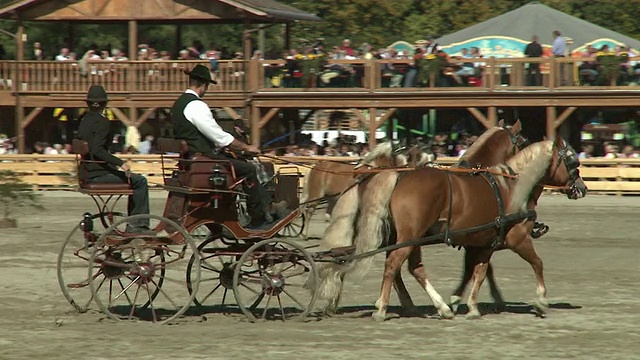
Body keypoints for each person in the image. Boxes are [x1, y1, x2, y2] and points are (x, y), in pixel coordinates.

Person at [171, 64, 288, 230]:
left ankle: (265, 206)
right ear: (204, 85)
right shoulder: (196, 105)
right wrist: (246, 148)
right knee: (248, 169)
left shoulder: (179, 104)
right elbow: (218, 136)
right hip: (204, 160)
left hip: (193, 158)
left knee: (239, 162)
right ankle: (258, 216)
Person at [77, 85, 154, 234]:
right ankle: (138, 225)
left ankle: (134, 223)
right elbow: (97, 150)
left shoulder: (84, 120)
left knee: (134, 180)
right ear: (104, 104)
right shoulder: (103, 122)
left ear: (88, 103)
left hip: (85, 172)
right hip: (97, 174)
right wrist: (121, 163)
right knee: (140, 182)